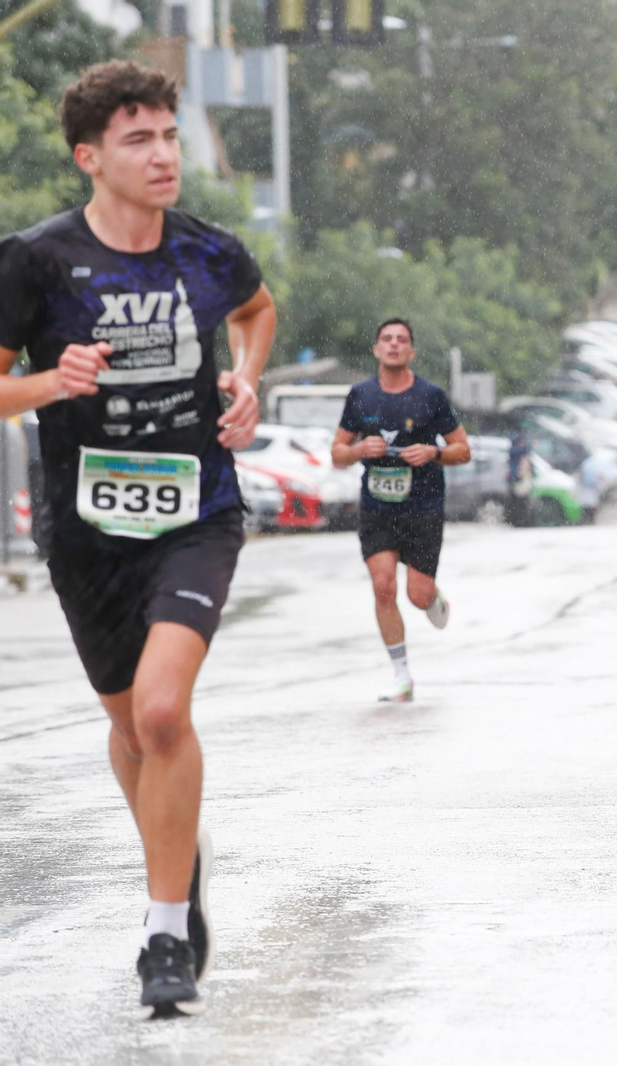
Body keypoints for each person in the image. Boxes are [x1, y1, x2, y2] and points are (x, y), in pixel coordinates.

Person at [0, 61, 276, 1017]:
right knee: (129, 727)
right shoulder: (34, 262)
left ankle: (165, 932)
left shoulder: (206, 252)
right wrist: (49, 383)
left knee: (161, 713)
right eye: (138, 139)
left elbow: (257, 309)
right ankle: (178, 861)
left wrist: (245, 381)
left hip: (197, 509)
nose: (165, 155)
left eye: (168, 134)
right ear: (89, 156)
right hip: (86, 531)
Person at [332, 318, 471, 701]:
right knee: (383, 586)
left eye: (401, 340)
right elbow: (337, 453)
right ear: (376, 349)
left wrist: (433, 452)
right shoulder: (360, 396)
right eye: (387, 339)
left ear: (411, 352)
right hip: (377, 507)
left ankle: (432, 596)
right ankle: (401, 675)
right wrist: (360, 450)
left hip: (423, 505)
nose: (393, 345)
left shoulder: (431, 396)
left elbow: (464, 449)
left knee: (416, 596)